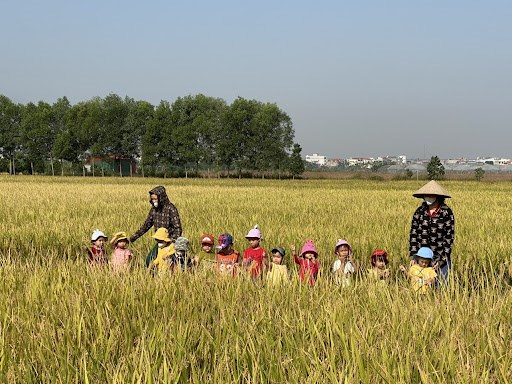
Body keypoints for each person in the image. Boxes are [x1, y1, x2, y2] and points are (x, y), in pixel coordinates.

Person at [409, 180, 455, 284]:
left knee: (441, 285)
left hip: (439, 255)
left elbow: (449, 237)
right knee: (420, 285)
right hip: (422, 257)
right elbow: (413, 234)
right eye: (426, 195)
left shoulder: (446, 212)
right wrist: (413, 255)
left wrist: (442, 259)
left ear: (437, 196)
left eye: (431, 195)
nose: (428, 197)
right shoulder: (419, 212)